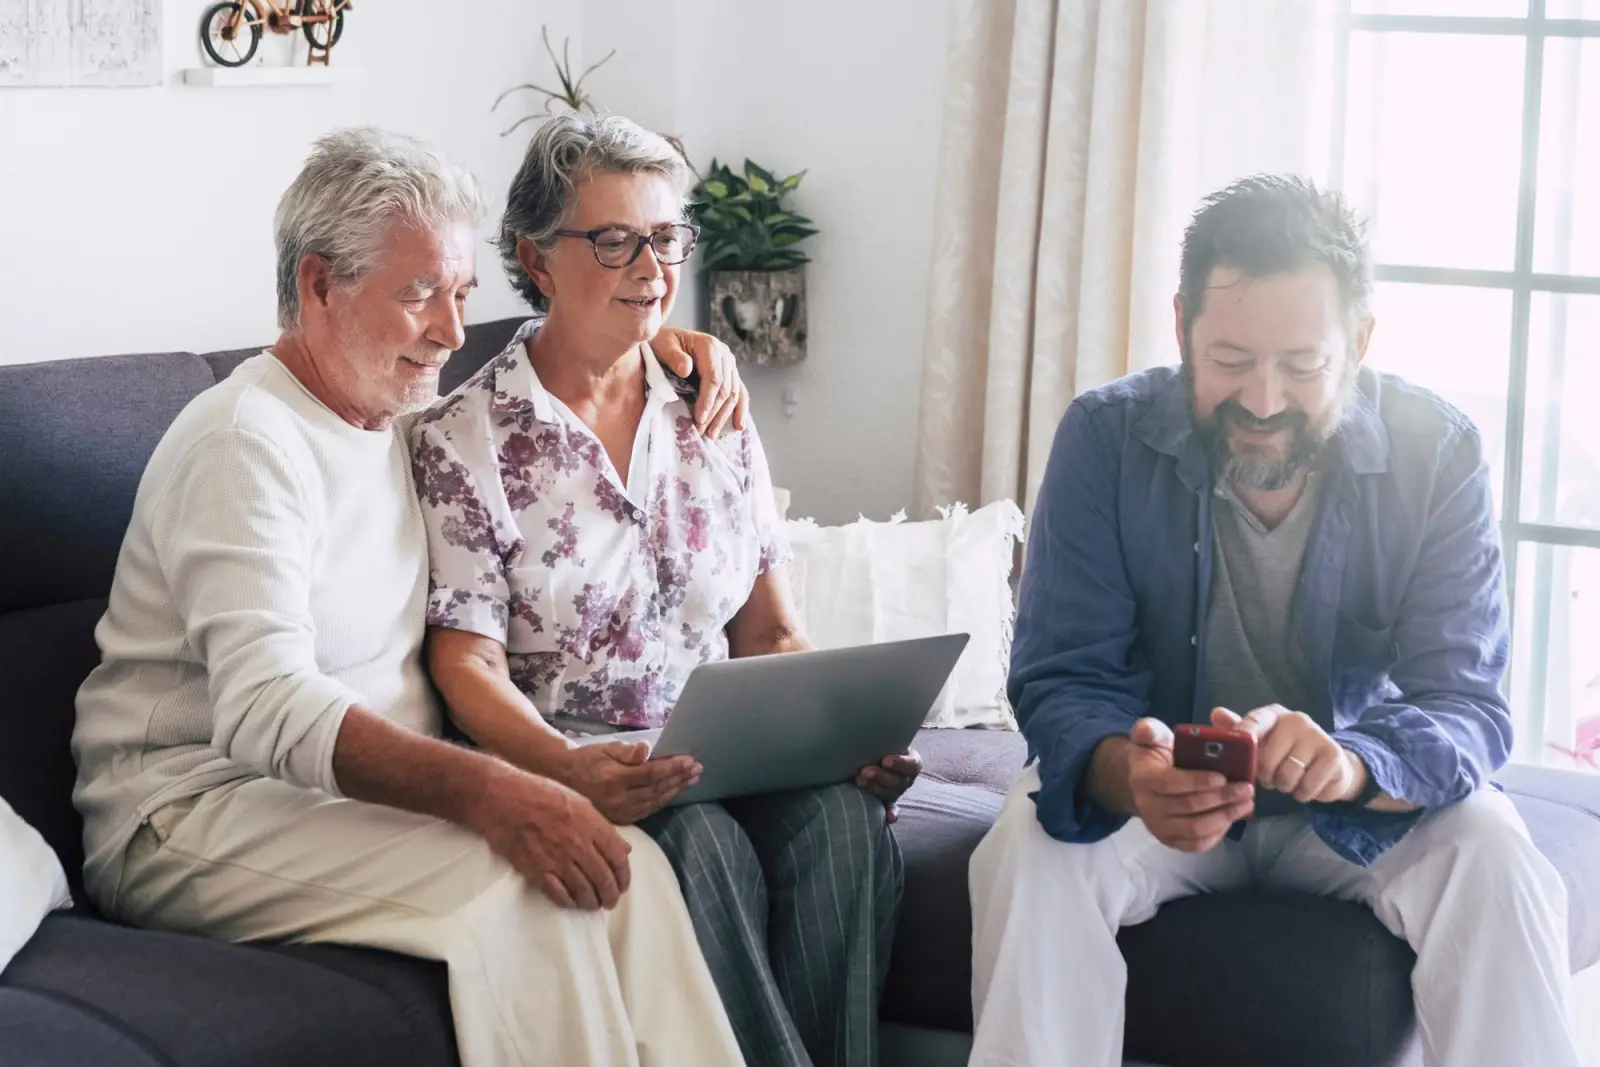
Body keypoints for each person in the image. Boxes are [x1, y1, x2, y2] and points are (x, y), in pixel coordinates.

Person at [71, 126, 760, 1067]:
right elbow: (264, 706)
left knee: (627, 869)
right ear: (319, 286)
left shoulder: (389, 415)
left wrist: (668, 343)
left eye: (461, 295)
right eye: (417, 294)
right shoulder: (245, 443)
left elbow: (569, 370)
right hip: (196, 811)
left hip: (337, 799)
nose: (447, 330)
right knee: (534, 897)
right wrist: (497, 792)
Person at [968, 175, 1580, 1067]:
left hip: (1354, 807)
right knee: (1027, 847)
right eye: (1229, 359)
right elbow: (1062, 677)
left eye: (1302, 365)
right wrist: (1124, 774)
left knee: (1496, 855)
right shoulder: (1104, 437)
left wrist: (1356, 763)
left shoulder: (1438, 449)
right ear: (1181, 326)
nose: (1261, 400)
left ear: (1359, 343)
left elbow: (1465, 701)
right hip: (1156, 805)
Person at [413, 113, 917, 1067]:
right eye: (614, 240)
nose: (651, 266)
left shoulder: (712, 406)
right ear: (537, 257)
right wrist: (564, 765)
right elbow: (464, 661)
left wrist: (841, 733)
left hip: (737, 752)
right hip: (594, 759)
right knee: (708, 847)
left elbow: (769, 630)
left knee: (849, 827)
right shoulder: (465, 436)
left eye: (666, 238)